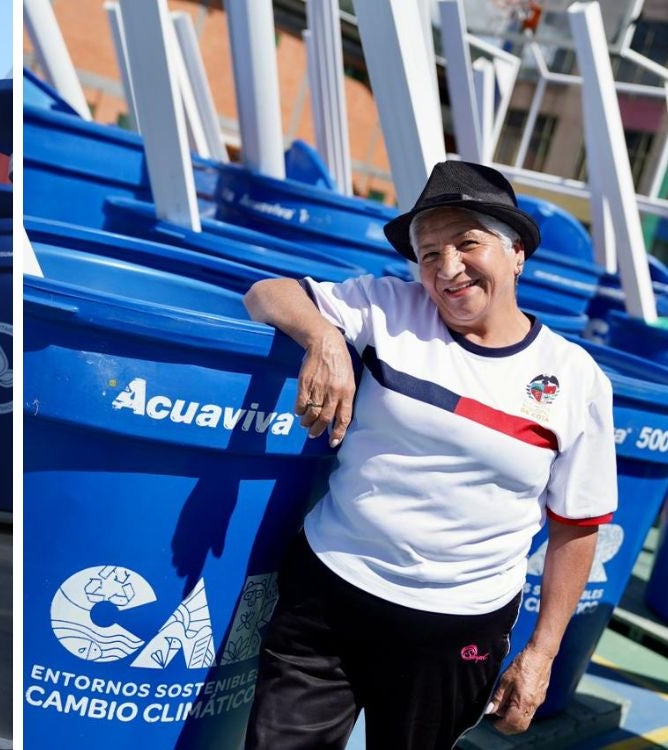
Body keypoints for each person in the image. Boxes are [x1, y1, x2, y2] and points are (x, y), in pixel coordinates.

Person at [241, 160, 616, 749]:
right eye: (428, 253)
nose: (447, 269)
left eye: (468, 243)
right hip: (330, 591)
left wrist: (541, 655)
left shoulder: (576, 379)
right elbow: (267, 292)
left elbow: (578, 525)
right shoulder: (388, 307)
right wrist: (324, 338)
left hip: (458, 626)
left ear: (516, 252)